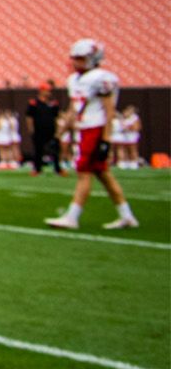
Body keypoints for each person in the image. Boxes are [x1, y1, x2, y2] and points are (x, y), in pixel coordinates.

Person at [47, 39, 138, 230]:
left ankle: (72, 217)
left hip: (95, 128)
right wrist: (59, 135)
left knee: (84, 173)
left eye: (80, 58)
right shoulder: (74, 80)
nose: (76, 62)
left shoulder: (102, 78)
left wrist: (106, 139)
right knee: (104, 175)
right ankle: (127, 215)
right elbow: (73, 109)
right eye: (75, 58)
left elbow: (109, 110)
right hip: (84, 128)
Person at [22, 87, 62, 175]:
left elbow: (57, 117)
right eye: (47, 90)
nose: (49, 92)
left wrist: (58, 131)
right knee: (38, 150)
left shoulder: (53, 103)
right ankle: (37, 169)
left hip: (51, 130)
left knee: (55, 150)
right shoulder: (34, 103)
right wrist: (31, 129)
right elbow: (29, 117)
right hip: (38, 130)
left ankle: (57, 169)